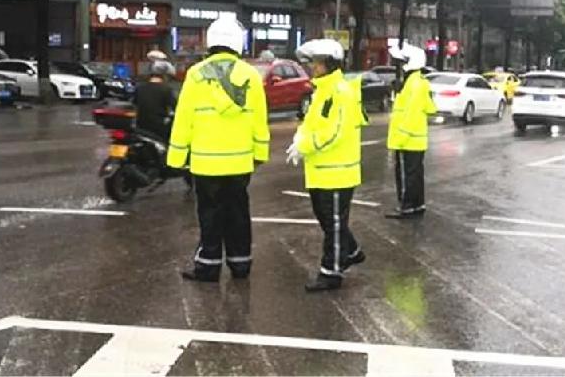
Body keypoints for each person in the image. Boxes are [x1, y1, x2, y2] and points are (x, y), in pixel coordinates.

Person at [167, 17, 270, 282]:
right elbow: (259, 119)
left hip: (205, 163)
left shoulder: (196, 75)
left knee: (209, 214)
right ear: (238, 43)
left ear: (210, 42)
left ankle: (209, 266)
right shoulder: (250, 75)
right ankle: (241, 264)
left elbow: (184, 119)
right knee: (238, 212)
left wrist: (177, 157)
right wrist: (260, 154)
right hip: (240, 163)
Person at [286, 39, 366, 292]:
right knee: (328, 220)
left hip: (337, 171)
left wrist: (305, 145)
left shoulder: (340, 92)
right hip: (322, 170)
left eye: (317, 63)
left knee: (332, 223)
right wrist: (299, 139)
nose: (313, 67)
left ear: (329, 64)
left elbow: (335, 132)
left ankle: (331, 272)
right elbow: (313, 124)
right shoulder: (322, 91)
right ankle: (351, 251)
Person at [385, 44, 437, 219]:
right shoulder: (417, 83)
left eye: (401, 62)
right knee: (415, 174)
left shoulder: (413, 85)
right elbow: (429, 108)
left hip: (406, 139)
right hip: (415, 139)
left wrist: (400, 138)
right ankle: (417, 204)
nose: (397, 66)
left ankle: (406, 206)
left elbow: (411, 113)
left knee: (406, 175)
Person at [134, 60, 177, 141]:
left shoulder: (140, 88)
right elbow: (175, 107)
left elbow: (135, 104)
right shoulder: (166, 90)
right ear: (165, 75)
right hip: (159, 129)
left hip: (141, 126)